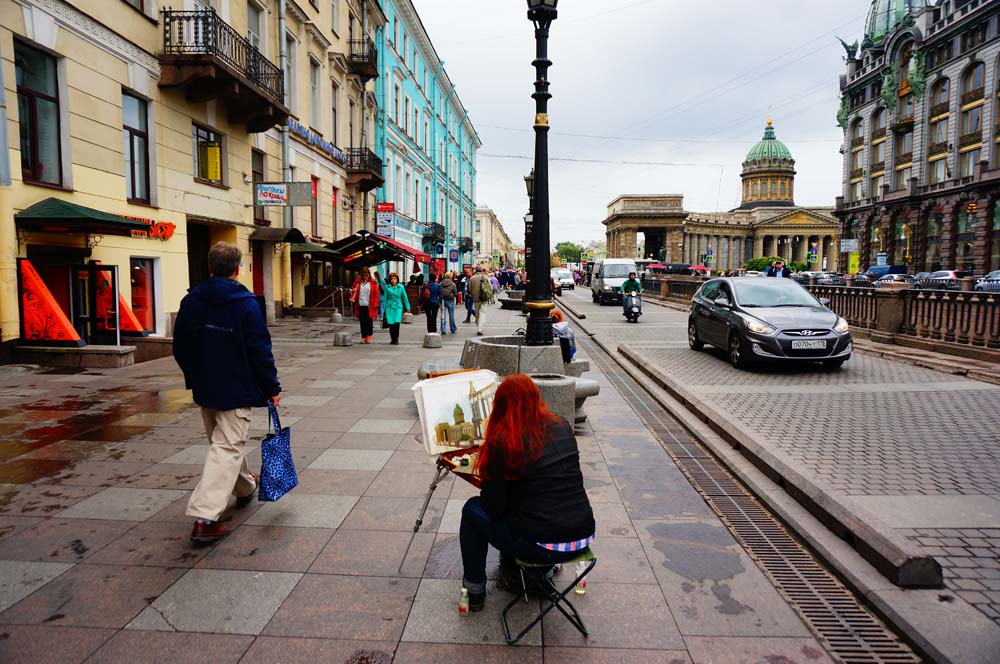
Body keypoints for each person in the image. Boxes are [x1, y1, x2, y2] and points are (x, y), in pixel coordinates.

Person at [173, 242, 281, 544]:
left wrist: (196, 376)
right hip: (237, 388)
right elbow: (260, 350)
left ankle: (245, 487)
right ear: (237, 269)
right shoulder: (246, 304)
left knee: (223, 444)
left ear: (210, 268)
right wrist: (272, 387)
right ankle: (205, 518)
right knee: (227, 448)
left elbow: (180, 346)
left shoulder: (192, 300)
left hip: (206, 388)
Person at [460, 374, 595, 611]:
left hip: (541, 545)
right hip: (582, 535)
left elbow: (494, 507)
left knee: (472, 510)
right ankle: (538, 578)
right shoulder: (562, 425)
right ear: (536, 398)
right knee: (532, 509)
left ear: (500, 405)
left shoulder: (504, 440)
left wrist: (493, 480)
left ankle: (474, 591)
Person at [377, 272, 410, 345]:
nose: (393, 280)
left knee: (397, 323)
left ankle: (396, 339)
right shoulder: (387, 287)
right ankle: (392, 339)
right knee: (391, 324)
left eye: (394, 278)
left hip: (398, 306)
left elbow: (405, 298)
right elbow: (385, 298)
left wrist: (408, 307)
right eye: (391, 279)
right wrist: (384, 308)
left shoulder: (401, 287)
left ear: (397, 279)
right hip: (389, 307)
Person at [350, 266, 380, 344]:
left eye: (366, 275)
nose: (365, 277)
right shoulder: (358, 281)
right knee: (362, 321)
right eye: (363, 275)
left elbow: (377, 293)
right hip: (360, 304)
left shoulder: (373, 282)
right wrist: (354, 289)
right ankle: (363, 337)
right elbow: (353, 288)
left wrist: (376, 303)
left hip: (370, 305)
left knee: (369, 321)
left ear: (369, 274)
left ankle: (369, 336)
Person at [469, 266, 492, 336]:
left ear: (475, 271)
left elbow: (469, 289)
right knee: (483, 313)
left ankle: (478, 326)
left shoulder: (472, 278)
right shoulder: (485, 277)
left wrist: (473, 294)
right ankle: (480, 329)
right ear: (481, 270)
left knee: (477, 313)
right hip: (484, 298)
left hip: (476, 299)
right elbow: (490, 287)